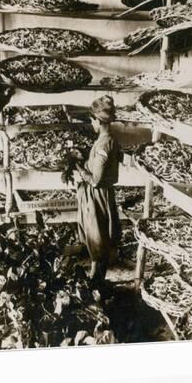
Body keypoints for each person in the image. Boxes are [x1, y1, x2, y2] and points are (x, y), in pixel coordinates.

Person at [75, 94, 122, 280]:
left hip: (96, 196)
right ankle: (97, 280)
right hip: (101, 194)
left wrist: (78, 167)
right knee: (99, 239)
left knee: (97, 239)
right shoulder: (109, 140)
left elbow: (95, 179)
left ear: (97, 120)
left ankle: (96, 282)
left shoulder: (104, 143)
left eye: (92, 121)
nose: (92, 125)